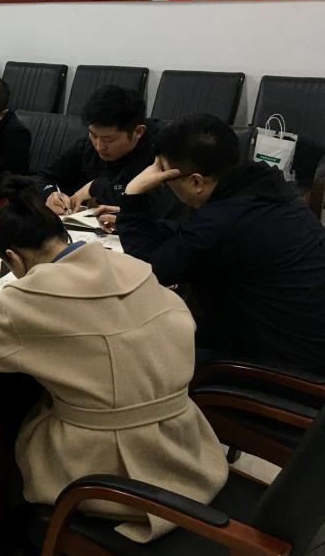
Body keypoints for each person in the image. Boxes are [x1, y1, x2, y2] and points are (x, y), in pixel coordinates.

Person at [0, 178, 227, 543]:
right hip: (187, 446)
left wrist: (11, 291)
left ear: (12, 258)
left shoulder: (32, 298)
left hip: (111, 471)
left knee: (15, 416)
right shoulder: (130, 265)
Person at [116, 115, 325, 373]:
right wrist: (142, 223)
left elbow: (149, 270)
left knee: (135, 355)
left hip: (286, 369)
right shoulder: (261, 188)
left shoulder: (223, 221)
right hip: (298, 345)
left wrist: (131, 196)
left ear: (196, 182)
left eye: (166, 178)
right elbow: (195, 234)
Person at [38, 86, 174, 221]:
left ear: (138, 132)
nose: (99, 146)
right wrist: (50, 193)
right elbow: (41, 179)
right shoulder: (87, 145)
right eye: (93, 135)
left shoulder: (165, 147)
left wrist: (95, 187)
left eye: (109, 140)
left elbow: (160, 200)